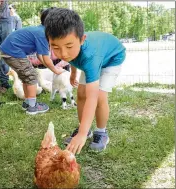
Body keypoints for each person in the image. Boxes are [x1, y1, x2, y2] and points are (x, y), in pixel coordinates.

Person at [44, 8, 126, 154]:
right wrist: (73, 74)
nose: (63, 53)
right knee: (81, 93)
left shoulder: (90, 57)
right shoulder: (70, 52)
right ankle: (85, 128)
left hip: (112, 58)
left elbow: (92, 97)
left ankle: (101, 132)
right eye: (55, 47)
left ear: (82, 40)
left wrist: (80, 135)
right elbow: (74, 60)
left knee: (99, 96)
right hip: (92, 59)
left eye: (69, 46)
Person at [0, 7, 64, 115]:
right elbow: (46, 58)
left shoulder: (41, 31)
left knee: (27, 77)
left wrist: (51, 67)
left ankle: (28, 102)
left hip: (9, 50)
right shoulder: (43, 34)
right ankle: (32, 107)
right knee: (31, 76)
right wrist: (55, 70)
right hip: (13, 52)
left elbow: (40, 56)